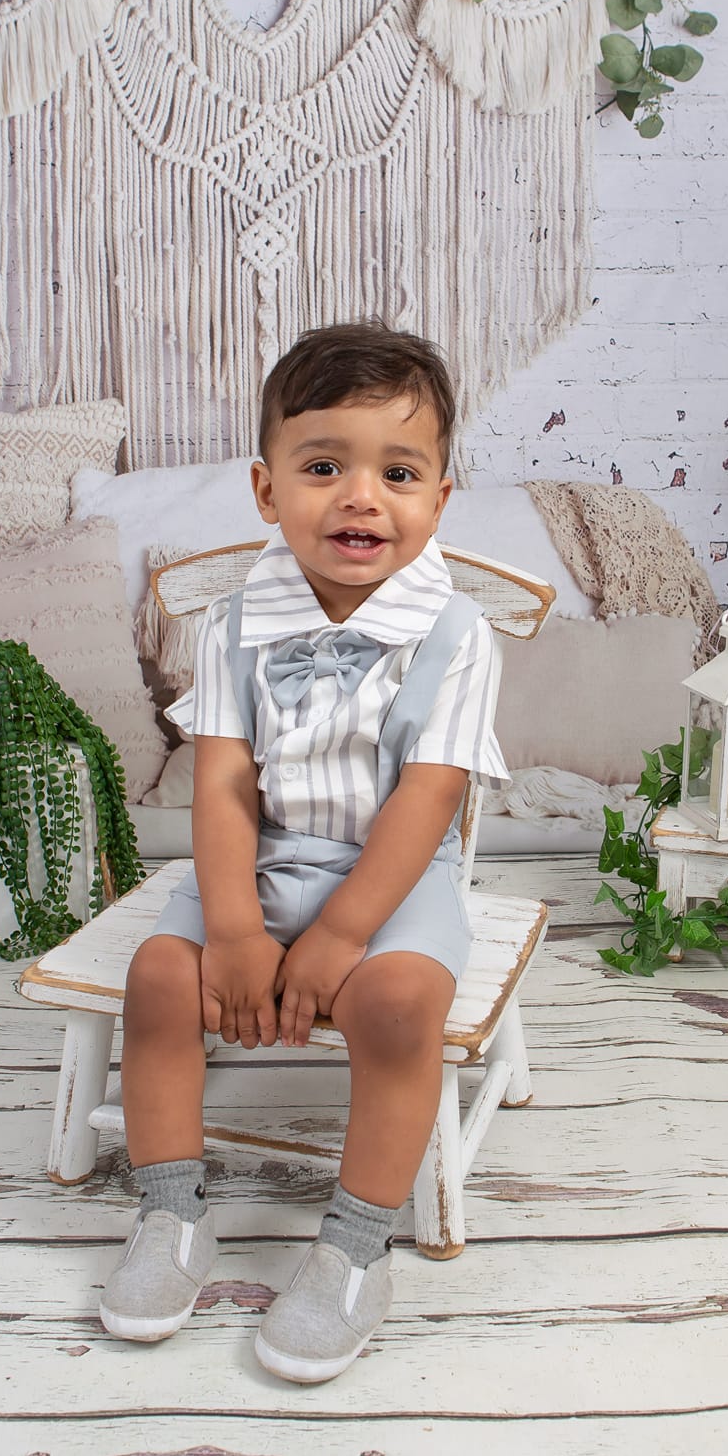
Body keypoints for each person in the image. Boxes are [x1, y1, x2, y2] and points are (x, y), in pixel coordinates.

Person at [99, 322, 509, 1382]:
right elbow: (227, 783)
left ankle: (354, 1245)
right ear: (266, 488)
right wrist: (234, 926)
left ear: (439, 496)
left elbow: (429, 800)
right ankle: (172, 1211)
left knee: (398, 1003)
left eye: (397, 471)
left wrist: (338, 936)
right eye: (323, 465)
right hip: (259, 861)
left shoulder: (455, 635)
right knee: (156, 976)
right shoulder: (231, 622)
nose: (360, 496)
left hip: (392, 876)